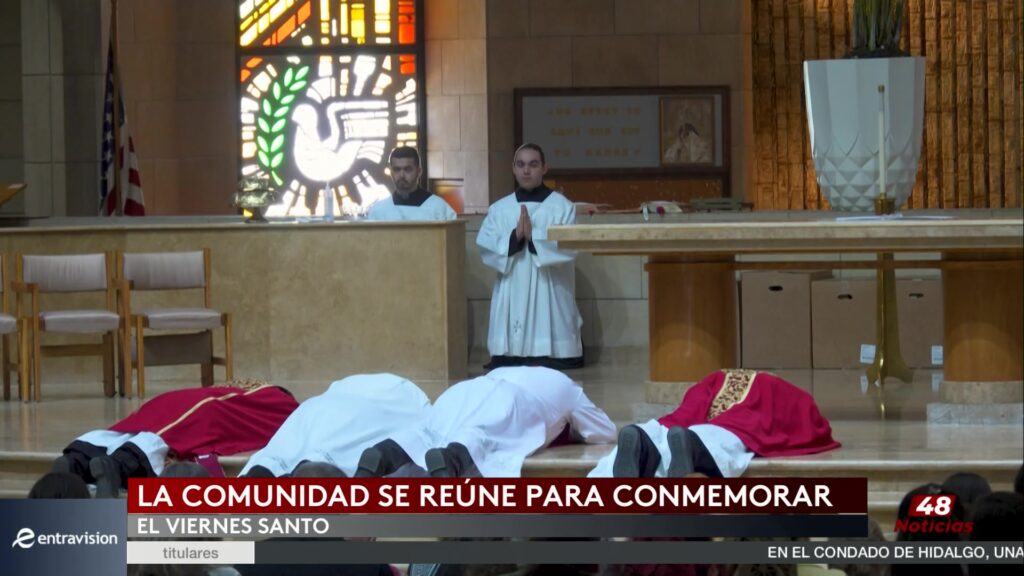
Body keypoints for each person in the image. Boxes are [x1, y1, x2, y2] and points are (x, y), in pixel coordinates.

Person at [356, 366, 615, 478]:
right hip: (509, 399)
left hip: (463, 390)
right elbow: (605, 431)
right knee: (482, 436)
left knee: (429, 432)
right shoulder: (566, 385)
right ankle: (453, 459)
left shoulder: (504, 371)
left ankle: (386, 452)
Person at [52, 379, 298, 497]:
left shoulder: (251, 395)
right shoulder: (277, 403)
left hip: (183, 398)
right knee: (173, 431)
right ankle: (120, 464)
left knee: (142, 423)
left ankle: (80, 458)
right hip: (211, 408)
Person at [589, 369, 840, 479]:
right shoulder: (784, 394)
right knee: (729, 433)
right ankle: (694, 447)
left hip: (711, 391)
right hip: (752, 408)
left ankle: (644, 438)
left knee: (668, 426)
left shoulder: (718, 380)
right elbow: (814, 428)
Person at [477, 143, 583, 370]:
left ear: (545, 168)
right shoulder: (499, 209)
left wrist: (535, 238)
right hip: (512, 283)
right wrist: (515, 238)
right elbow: (486, 245)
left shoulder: (562, 207)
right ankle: (510, 353)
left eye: (533, 165)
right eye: (521, 165)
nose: (526, 171)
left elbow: (571, 245)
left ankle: (553, 352)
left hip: (550, 285)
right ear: (513, 169)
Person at [239, 373, 431, 478]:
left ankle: (271, 468)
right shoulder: (414, 414)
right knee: (327, 454)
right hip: (338, 415)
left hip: (320, 411)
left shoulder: (408, 406)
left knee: (286, 453)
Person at [366, 146, 456, 221]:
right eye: (397, 169)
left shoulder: (439, 208)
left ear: (419, 171)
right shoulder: (378, 211)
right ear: (391, 172)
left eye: (407, 169)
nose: (402, 175)